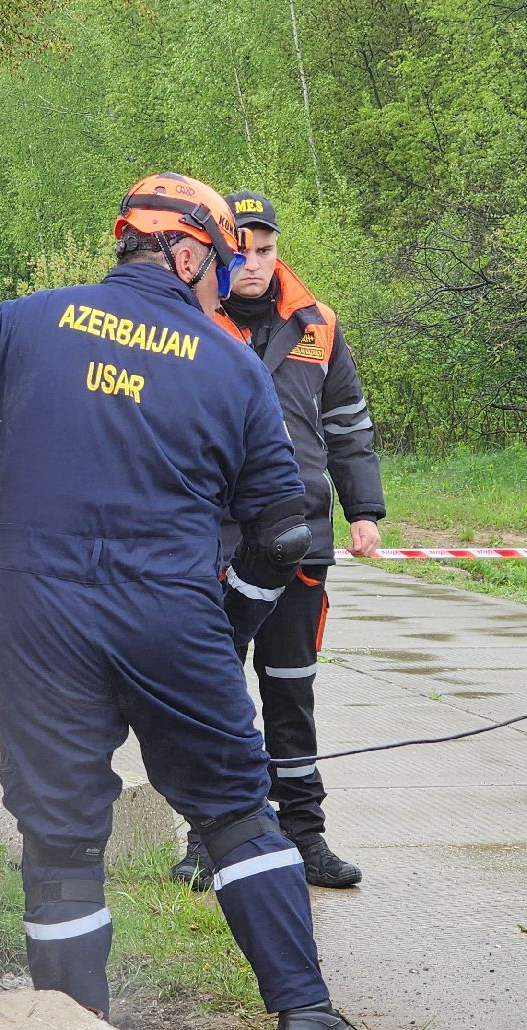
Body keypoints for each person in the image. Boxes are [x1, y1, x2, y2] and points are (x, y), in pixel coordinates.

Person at [0, 172, 390, 1030]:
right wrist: (230, 619)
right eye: (220, 263)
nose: (223, 282)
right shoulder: (231, 364)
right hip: (171, 617)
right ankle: (306, 1018)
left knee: (61, 836)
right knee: (236, 813)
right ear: (188, 254)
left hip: (41, 621)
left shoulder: (24, 321)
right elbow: (285, 533)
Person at [166, 189, 386, 891]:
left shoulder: (319, 324)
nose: (254, 264)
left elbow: (348, 424)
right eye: (242, 252)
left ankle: (305, 837)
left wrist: (364, 510)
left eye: (265, 250)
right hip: (217, 538)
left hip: (302, 539)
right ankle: (209, 841)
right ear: (221, 254)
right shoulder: (187, 317)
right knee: (213, 692)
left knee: (291, 691)